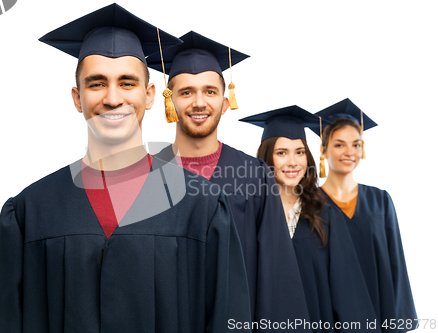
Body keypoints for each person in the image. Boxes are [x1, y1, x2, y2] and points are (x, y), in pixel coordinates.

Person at [0, 4, 251, 332]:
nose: (112, 98)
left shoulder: (204, 208)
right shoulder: (29, 213)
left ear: (150, 95)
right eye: (96, 84)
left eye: (127, 83)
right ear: (77, 97)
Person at [149, 31, 311, 332]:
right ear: (168, 102)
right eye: (186, 92)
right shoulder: (144, 176)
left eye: (210, 91)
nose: (199, 102)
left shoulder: (255, 176)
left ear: (225, 103)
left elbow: (276, 278)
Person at [240, 106, 380, 332]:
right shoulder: (249, 213)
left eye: (300, 152)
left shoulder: (326, 213)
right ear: (267, 158)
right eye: (282, 152)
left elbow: (347, 289)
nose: (293, 162)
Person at [316, 98, 418, 332]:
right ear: (323, 150)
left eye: (356, 144)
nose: (349, 152)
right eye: (339, 144)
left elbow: (396, 265)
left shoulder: (380, 201)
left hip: (379, 315)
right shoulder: (311, 206)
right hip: (330, 320)